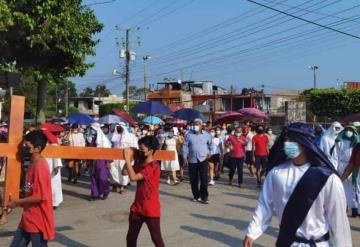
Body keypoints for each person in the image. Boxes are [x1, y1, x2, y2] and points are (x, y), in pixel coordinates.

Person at [243, 123, 352, 247]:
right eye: (286, 140)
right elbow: (264, 205)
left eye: (292, 141)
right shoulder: (276, 173)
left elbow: (338, 220)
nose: (287, 144)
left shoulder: (327, 178)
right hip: (287, 242)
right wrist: (252, 232)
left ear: (305, 144)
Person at [8, 130, 55, 246]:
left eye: (26, 146)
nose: (23, 148)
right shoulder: (32, 163)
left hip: (38, 220)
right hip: (27, 217)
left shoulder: (40, 167)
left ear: (37, 148)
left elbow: (39, 196)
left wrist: (17, 202)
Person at [123, 136, 165, 247]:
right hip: (137, 207)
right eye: (139, 148)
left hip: (151, 208)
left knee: (156, 238)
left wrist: (127, 158)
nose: (140, 151)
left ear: (151, 151)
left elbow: (133, 177)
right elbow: (124, 172)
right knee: (131, 237)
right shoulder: (141, 163)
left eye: (142, 149)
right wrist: (130, 158)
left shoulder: (153, 166)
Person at [183, 118, 212, 204]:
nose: (195, 126)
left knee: (204, 179)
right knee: (193, 179)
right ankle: (196, 196)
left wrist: (211, 152)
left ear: (201, 125)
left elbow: (211, 145)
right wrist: (184, 157)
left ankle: (204, 197)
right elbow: (185, 147)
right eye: (194, 124)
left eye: (197, 124)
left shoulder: (207, 135)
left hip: (203, 159)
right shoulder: (188, 135)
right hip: (192, 160)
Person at [332, 125, 358, 216]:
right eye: (347, 130)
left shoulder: (356, 143)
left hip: (354, 166)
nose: (349, 132)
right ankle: (344, 207)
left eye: (351, 130)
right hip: (341, 166)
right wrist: (335, 168)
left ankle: (354, 208)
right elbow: (335, 156)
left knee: (353, 188)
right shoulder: (339, 141)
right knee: (341, 188)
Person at [86, 123, 112, 200]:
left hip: (102, 161)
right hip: (92, 161)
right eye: (91, 129)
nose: (92, 130)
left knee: (102, 177)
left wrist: (108, 162)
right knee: (93, 177)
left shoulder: (104, 140)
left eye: (93, 129)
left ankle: (105, 192)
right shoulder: (89, 139)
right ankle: (95, 194)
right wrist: (86, 161)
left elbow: (108, 151)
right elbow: (86, 150)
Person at [110, 123, 138, 194]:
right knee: (113, 171)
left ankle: (122, 187)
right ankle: (115, 184)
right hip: (115, 157)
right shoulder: (115, 136)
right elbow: (112, 146)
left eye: (120, 128)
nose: (118, 129)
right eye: (117, 128)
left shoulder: (131, 136)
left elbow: (135, 147)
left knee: (124, 172)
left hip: (125, 158)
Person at [41, 129, 63, 208]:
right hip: (45, 165)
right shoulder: (44, 143)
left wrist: (56, 166)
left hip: (52, 167)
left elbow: (57, 157)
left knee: (54, 185)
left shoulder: (54, 145)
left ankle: (54, 203)